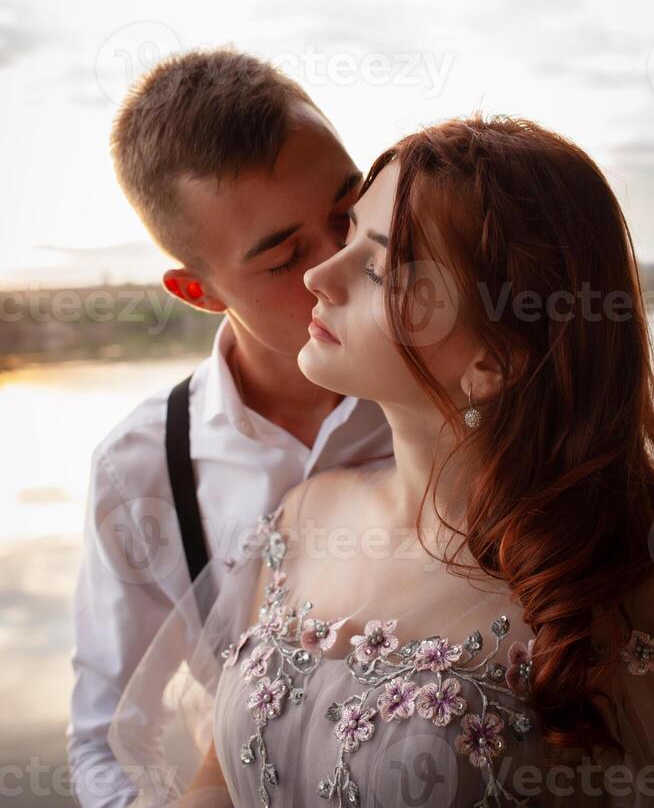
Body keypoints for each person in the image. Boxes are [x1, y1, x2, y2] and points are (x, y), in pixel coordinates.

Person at [108, 114, 654, 807]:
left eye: (375, 265)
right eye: (348, 233)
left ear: (491, 361)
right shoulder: (304, 514)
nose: (318, 276)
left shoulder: (612, 585)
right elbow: (216, 779)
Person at [66, 49, 394, 808]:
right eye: (285, 257)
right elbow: (103, 740)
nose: (346, 261)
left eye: (352, 212)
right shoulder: (139, 469)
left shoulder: (470, 394)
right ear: (198, 291)